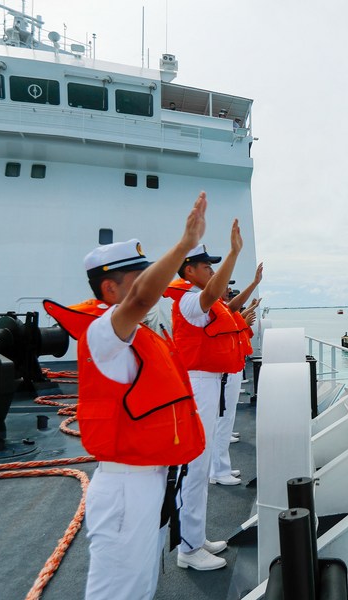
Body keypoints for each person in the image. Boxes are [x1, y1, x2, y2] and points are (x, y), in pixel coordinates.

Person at [42, 193, 209, 599]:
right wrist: (185, 245)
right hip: (124, 489)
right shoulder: (103, 334)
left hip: (149, 480)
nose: (154, 283)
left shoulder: (141, 334)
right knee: (118, 591)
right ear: (110, 288)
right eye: (140, 275)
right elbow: (141, 299)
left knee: (141, 585)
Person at [163, 225, 245, 571]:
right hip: (198, 385)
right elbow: (212, 295)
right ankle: (189, 549)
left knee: (201, 462)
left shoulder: (194, 298)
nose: (212, 271)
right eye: (207, 266)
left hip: (209, 384)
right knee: (194, 466)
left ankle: (195, 537)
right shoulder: (187, 300)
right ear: (189, 271)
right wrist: (234, 253)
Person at [208, 268, 263, 486]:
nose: (229, 290)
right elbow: (229, 329)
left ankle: (222, 467)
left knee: (225, 418)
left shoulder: (220, 308)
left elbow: (235, 325)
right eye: (226, 286)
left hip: (230, 367)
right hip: (222, 372)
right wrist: (244, 317)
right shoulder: (213, 308)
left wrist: (246, 315)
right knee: (220, 421)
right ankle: (218, 471)